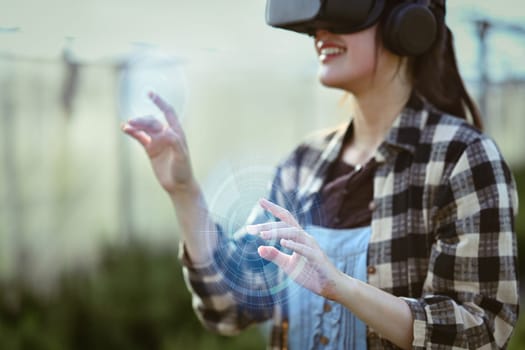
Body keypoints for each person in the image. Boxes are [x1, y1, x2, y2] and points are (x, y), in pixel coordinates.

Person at [121, 0, 519, 349]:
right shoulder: (303, 165)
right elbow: (227, 307)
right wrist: (184, 191)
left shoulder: (461, 158)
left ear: (407, 22)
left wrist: (343, 288)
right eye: (314, 21)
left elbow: (481, 333)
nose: (319, 31)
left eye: (343, 11)